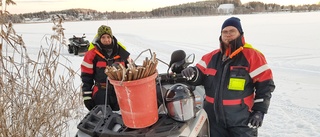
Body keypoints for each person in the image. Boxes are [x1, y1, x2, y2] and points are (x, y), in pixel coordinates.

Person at [181, 17, 275, 137]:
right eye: (225, 32)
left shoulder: (253, 56)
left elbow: (265, 85)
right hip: (214, 120)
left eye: (232, 31)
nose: (228, 34)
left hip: (241, 120)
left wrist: (259, 111)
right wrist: (192, 73)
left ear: (240, 34)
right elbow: (199, 75)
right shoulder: (210, 57)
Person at [81, 25, 131, 111]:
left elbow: (132, 71)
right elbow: (86, 77)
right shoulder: (91, 55)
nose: (106, 40)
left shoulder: (122, 53)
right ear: (99, 38)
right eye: (103, 37)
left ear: (111, 37)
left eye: (108, 37)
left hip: (120, 93)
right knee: (103, 120)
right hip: (101, 94)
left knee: (121, 120)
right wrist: (87, 97)